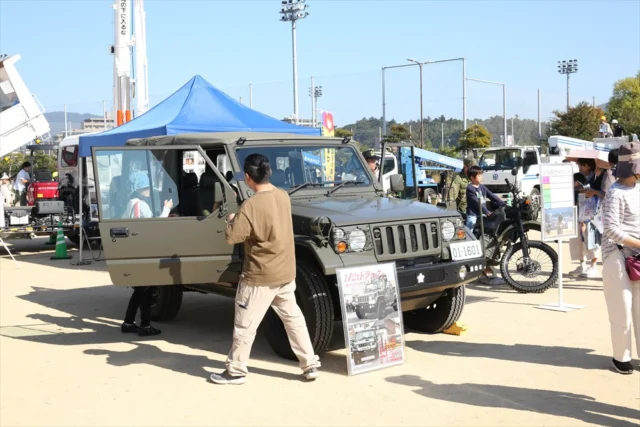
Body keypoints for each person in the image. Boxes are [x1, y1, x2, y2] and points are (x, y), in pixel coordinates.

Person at [209, 153, 320, 385]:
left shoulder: (250, 205)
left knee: (244, 325)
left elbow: (233, 237)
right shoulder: (283, 196)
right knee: (293, 319)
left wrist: (232, 219)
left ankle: (236, 370)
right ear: (268, 172)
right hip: (285, 271)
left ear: (248, 178)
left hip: (259, 275)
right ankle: (309, 364)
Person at [601, 142, 640, 375]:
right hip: (617, 256)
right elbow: (611, 230)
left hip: (637, 256)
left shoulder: (639, 189)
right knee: (621, 310)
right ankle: (621, 358)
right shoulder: (615, 193)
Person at [120, 171, 173, 337]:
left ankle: (128, 323)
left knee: (140, 290)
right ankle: (145, 325)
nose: (150, 191)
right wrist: (167, 209)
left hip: (133, 251)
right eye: (147, 188)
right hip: (143, 251)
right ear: (141, 189)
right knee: (146, 290)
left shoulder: (130, 203)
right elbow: (154, 226)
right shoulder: (141, 205)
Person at [570, 158, 603, 278]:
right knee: (578, 240)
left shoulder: (597, 178)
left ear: (589, 166)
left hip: (592, 214)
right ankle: (582, 264)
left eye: (581, 165)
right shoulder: (578, 176)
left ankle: (593, 266)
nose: (579, 167)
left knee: (591, 238)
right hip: (579, 211)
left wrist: (590, 190)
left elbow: (600, 193)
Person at [465, 166, 506, 231]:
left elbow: (492, 196)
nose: (481, 177)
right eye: (479, 176)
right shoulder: (470, 188)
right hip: (473, 214)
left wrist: (503, 203)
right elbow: (476, 202)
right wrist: (486, 211)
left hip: (482, 213)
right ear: (472, 177)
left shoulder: (482, 187)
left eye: (481, 175)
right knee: (470, 230)